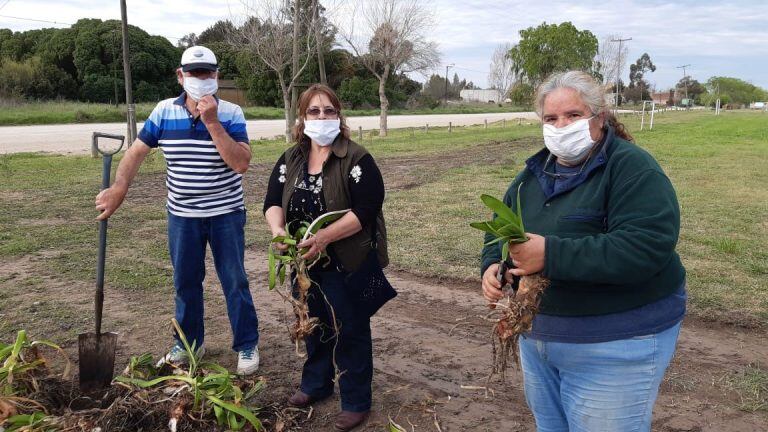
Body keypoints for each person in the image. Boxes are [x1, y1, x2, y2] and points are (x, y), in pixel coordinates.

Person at [480, 70, 686, 431]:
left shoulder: (632, 168)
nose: (561, 126)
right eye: (551, 118)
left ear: (600, 117)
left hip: (615, 343)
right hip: (540, 338)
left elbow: (645, 246)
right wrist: (490, 266)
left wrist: (551, 255)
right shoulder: (533, 172)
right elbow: (500, 228)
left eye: (573, 115)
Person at [94, 45, 260, 375]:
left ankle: (246, 344)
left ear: (216, 75)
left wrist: (212, 122)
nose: (202, 79)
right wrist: (119, 188)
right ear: (180, 76)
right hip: (182, 216)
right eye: (195, 73)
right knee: (185, 282)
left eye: (208, 73)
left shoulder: (230, 113)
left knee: (234, 281)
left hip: (225, 213)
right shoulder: (163, 112)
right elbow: (136, 152)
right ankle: (186, 345)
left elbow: (241, 163)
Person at [263, 84, 386, 431]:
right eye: (314, 111)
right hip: (305, 264)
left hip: (347, 262)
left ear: (339, 115)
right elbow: (272, 201)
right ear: (302, 118)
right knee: (313, 325)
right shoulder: (292, 158)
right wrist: (278, 232)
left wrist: (325, 237)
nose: (321, 117)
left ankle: (357, 400)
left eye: (328, 111)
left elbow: (366, 210)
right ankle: (316, 384)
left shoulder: (357, 159)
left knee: (351, 329)